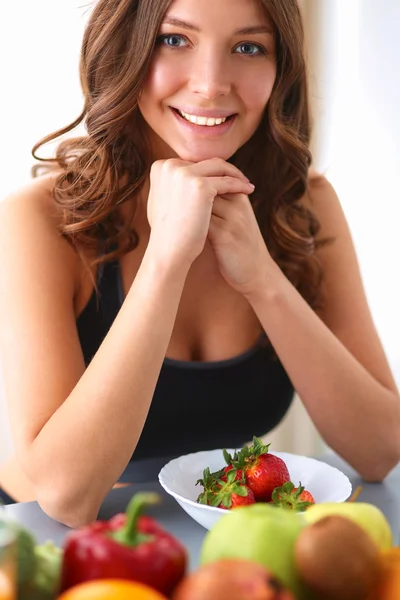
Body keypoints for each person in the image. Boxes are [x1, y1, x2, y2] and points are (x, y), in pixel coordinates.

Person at [0, 0, 399, 525]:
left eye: (247, 47)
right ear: (125, 48)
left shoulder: (306, 208)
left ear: (281, 71)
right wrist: (166, 260)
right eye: (174, 39)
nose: (211, 84)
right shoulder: (41, 220)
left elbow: (379, 450)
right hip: (44, 542)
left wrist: (263, 280)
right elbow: (66, 497)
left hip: (221, 543)